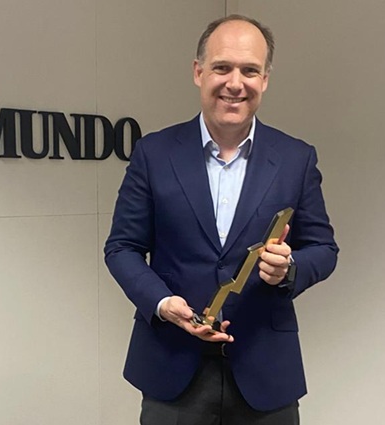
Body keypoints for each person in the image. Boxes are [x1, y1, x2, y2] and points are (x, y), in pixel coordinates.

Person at [104, 14, 338, 425]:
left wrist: (289, 268)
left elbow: (323, 249)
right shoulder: (154, 154)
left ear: (265, 79)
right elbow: (122, 248)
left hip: (266, 373)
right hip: (171, 366)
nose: (235, 83)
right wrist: (162, 304)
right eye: (222, 67)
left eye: (249, 70)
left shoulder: (296, 158)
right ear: (198, 72)